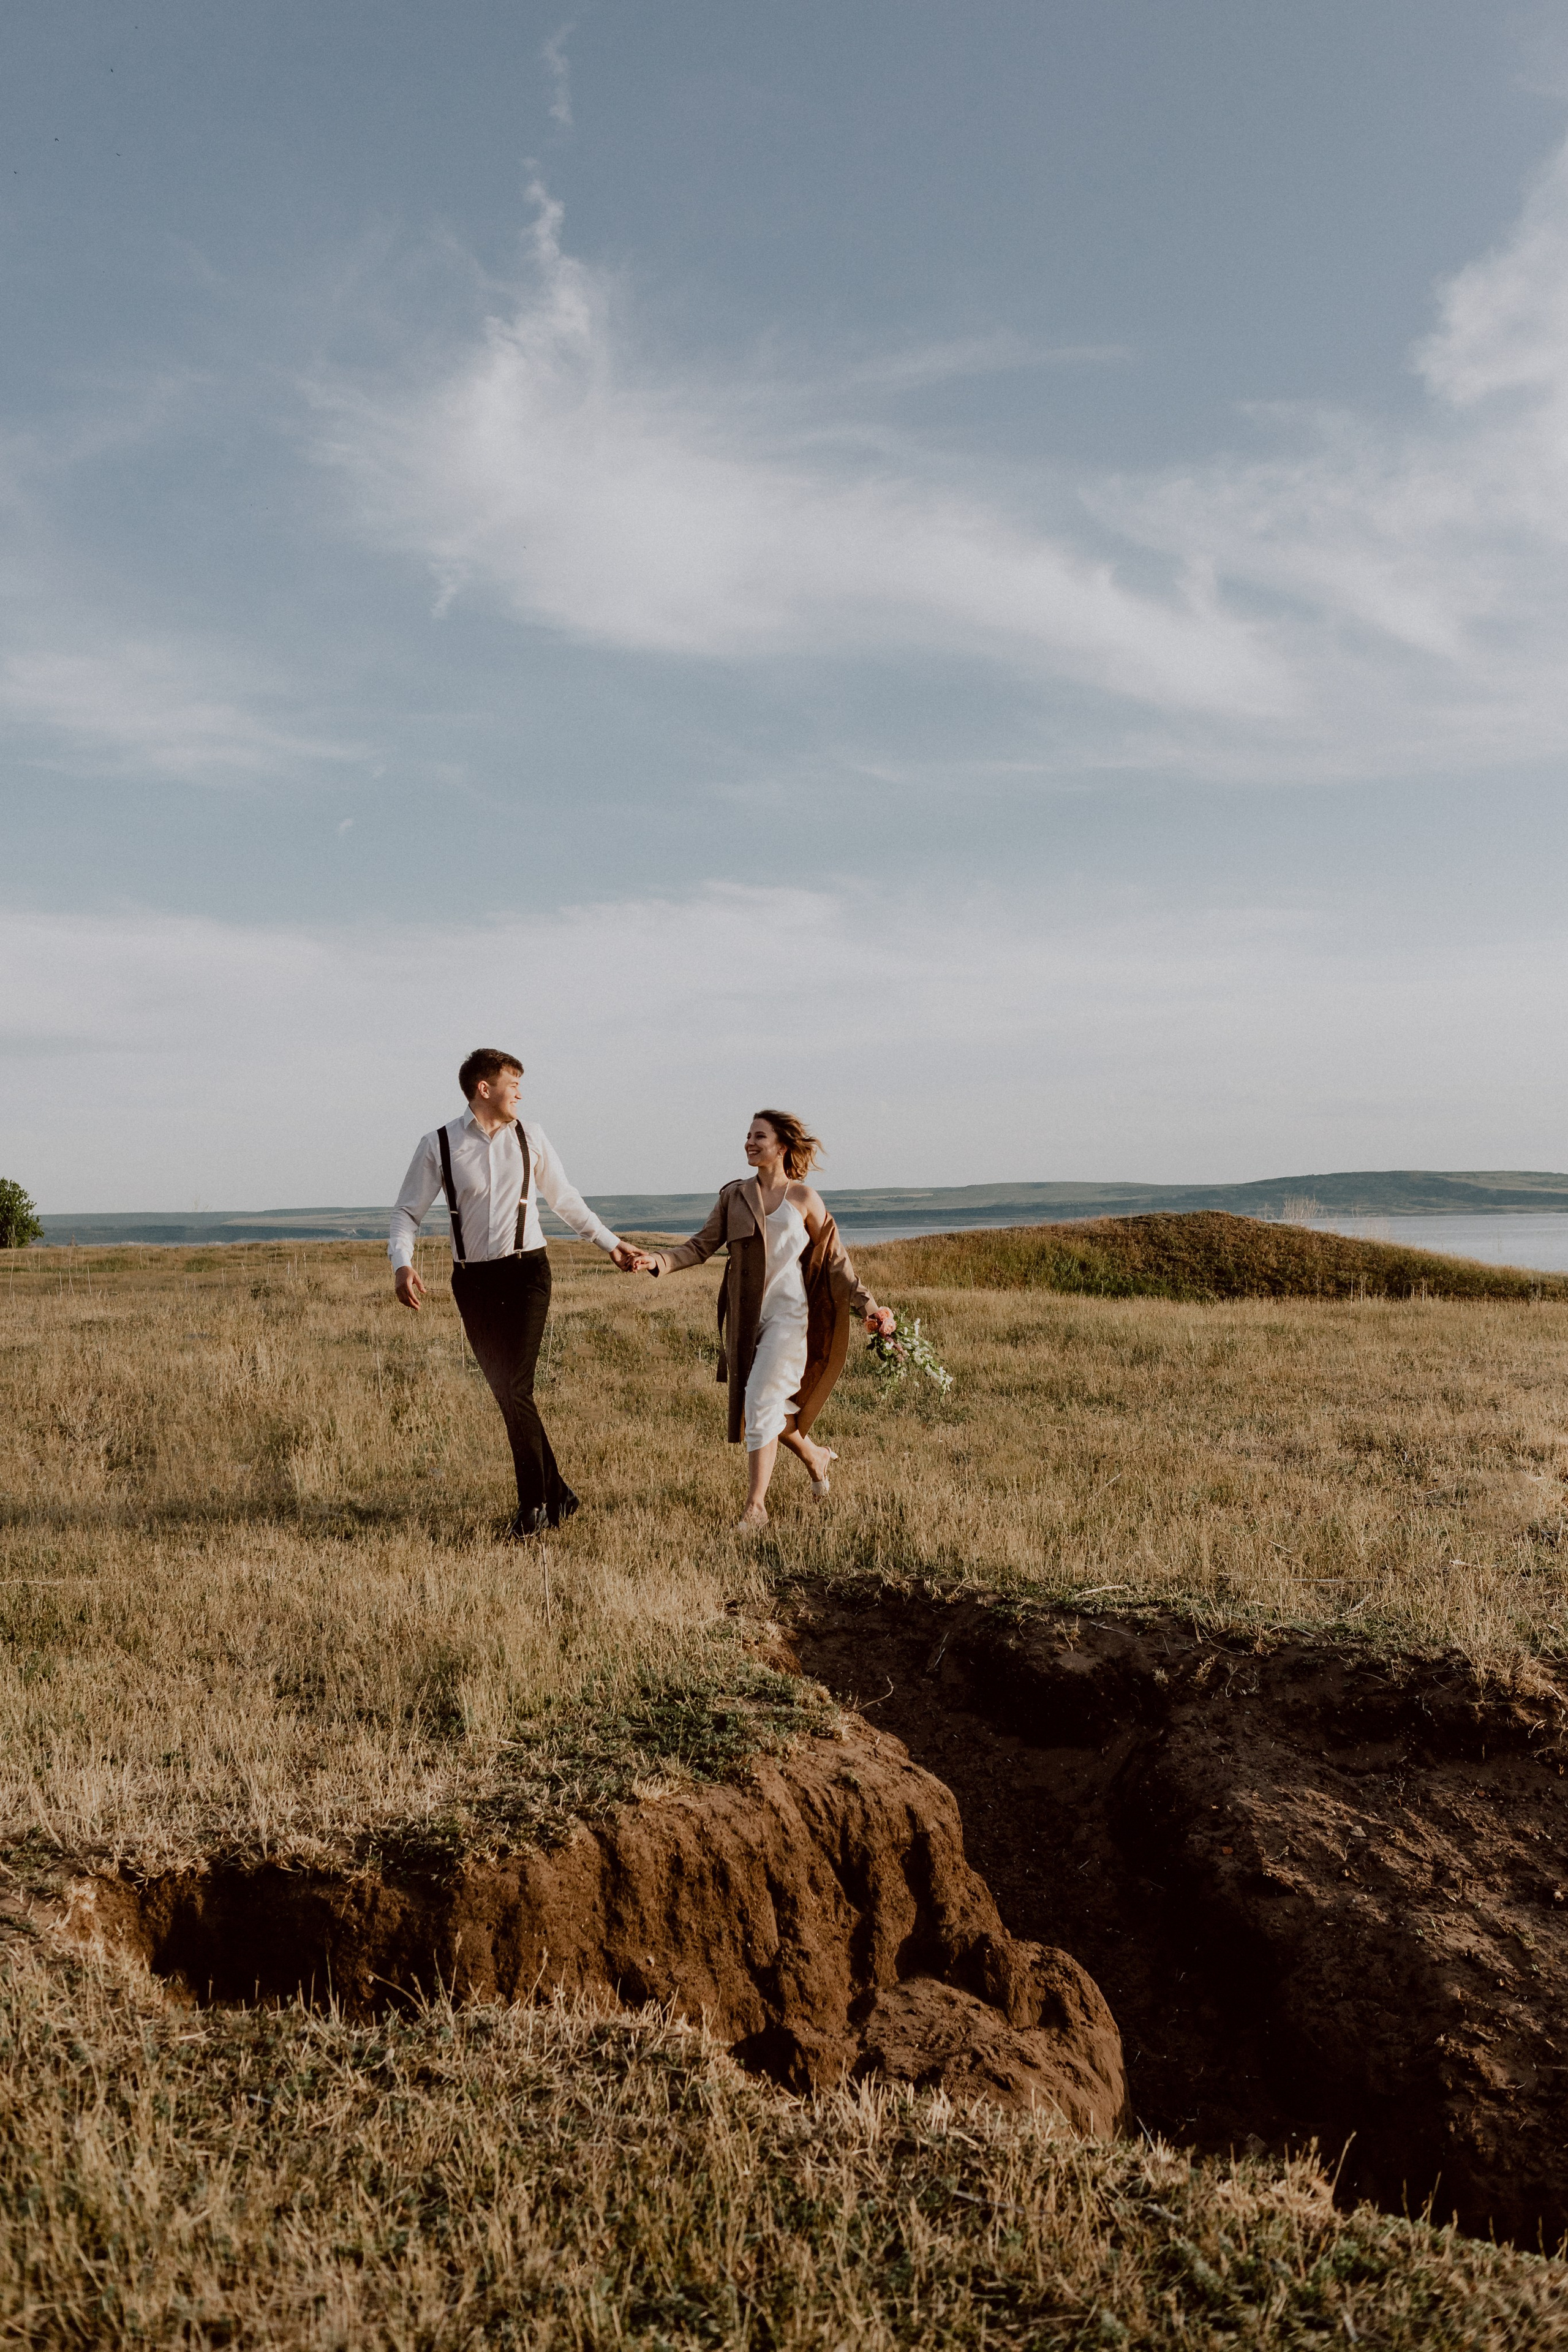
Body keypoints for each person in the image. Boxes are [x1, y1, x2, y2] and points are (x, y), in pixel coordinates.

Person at [389, 1048, 641, 1535]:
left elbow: (565, 1199)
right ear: (485, 1089)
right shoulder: (438, 1144)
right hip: (473, 1282)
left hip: (528, 1275)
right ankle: (560, 1495)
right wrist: (403, 1264)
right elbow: (405, 1213)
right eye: (514, 1084)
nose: (520, 1094)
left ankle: (534, 1510)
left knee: (515, 1387)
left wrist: (609, 1244)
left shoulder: (532, 1136)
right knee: (507, 1393)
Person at [636, 1110, 896, 1529]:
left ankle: (756, 1508)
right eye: (748, 1136)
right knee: (764, 1406)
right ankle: (815, 1455)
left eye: (759, 1136)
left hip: (789, 1319)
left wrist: (871, 1308)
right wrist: (658, 1261)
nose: (749, 1143)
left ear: (782, 1146)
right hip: (745, 1321)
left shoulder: (805, 1199)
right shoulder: (734, 1196)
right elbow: (701, 1246)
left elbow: (836, 1264)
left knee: (759, 1401)